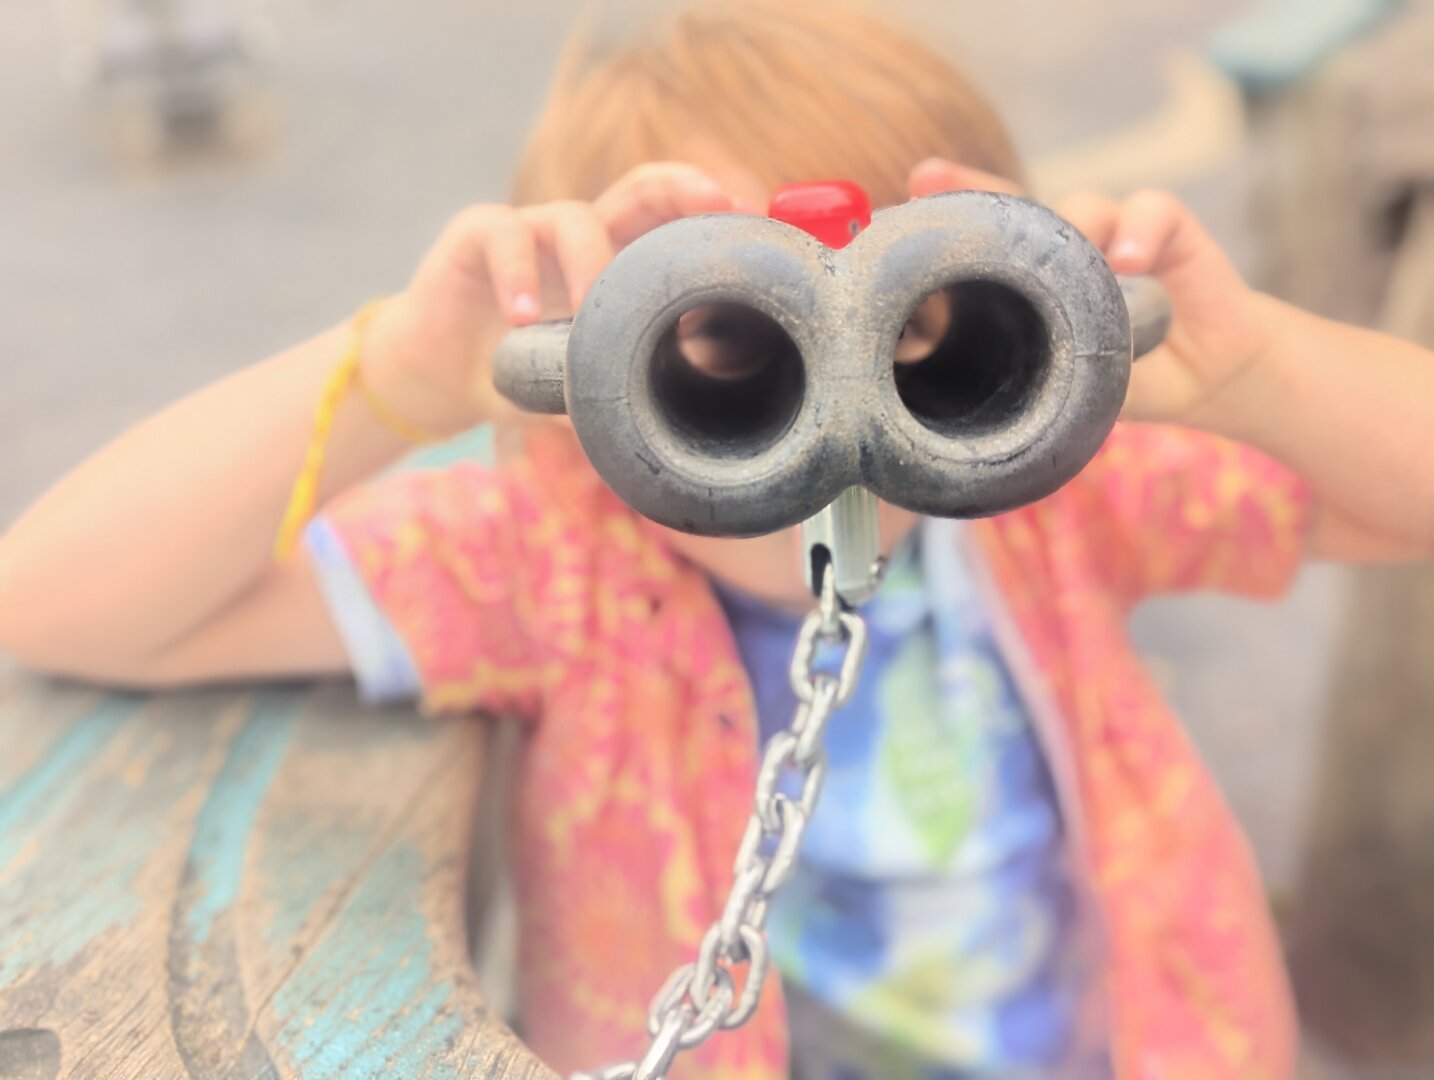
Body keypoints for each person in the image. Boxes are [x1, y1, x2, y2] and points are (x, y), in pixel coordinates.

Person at [2, 1, 1432, 1076]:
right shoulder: (545, 557)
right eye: (729, 333)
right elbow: (58, 600)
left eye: (916, 317)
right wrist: (396, 373)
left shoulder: (1057, 499)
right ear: (590, 358)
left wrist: (1248, 372)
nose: (839, 399)